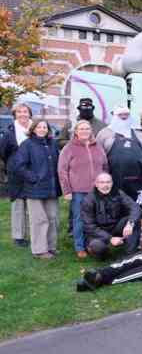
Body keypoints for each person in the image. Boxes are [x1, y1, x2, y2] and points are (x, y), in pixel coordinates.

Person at [57, 120, 108, 258]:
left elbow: (105, 166)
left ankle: (92, 245)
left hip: (96, 190)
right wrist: (66, 190)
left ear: (91, 130)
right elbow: (62, 171)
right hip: (78, 190)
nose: (85, 131)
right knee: (79, 219)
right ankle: (79, 246)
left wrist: (105, 184)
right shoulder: (69, 148)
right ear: (76, 131)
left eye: (87, 128)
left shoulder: (97, 146)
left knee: (96, 219)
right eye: (81, 129)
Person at [14, 119, 61, 259]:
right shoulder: (27, 145)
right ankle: (39, 250)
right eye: (39, 127)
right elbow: (19, 166)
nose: (42, 129)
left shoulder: (52, 144)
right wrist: (34, 178)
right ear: (33, 129)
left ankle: (51, 247)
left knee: (53, 218)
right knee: (39, 220)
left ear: (48, 129)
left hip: (52, 188)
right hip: (35, 189)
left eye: (45, 127)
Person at [96, 106, 142, 200]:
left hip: (138, 180)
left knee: (137, 208)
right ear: (114, 116)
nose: (123, 117)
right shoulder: (104, 133)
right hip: (113, 180)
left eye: (126, 114)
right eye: (120, 115)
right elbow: (97, 156)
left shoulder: (139, 132)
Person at [81, 173, 142, 260]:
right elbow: (89, 226)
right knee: (97, 246)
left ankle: (129, 255)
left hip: (115, 227)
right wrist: (110, 238)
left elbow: (135, 207)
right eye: (102, 182)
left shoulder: (118, 193)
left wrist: (130, 223)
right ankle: (106, 253)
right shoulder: (88, 200)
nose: (105, 185)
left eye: (108, 182)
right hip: (97, 232)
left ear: (112, 183)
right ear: (96, 184)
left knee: (135, 220)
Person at [0, 103, 32, 247]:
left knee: (33, 204)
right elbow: (3, 152)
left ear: (29, 114)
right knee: (18, 204)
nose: (23, 114)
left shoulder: (36, 128)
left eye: (25, 111)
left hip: (33, 171)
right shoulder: (10, 133)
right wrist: (13, 164)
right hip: (16, 174)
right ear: (15, 115)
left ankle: (34, 234)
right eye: (19, 112)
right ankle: (19, 236)